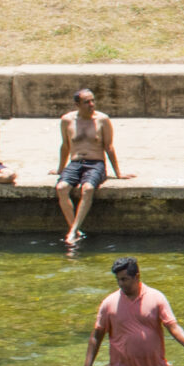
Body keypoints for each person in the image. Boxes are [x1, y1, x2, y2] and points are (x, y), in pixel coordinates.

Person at [86, 257, 184, 366]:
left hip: (156, 365)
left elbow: (173, 327)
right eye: (118, 279)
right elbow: (97, 336)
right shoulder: (109, 303)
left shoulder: (156, 297)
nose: (120, 284)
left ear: (137, 277)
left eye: (124, 279)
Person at [54, 88, 125, 247]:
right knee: (61, 188)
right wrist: (60, 169)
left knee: (87, 189)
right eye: (87, 102)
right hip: (75, 163)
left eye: (93, 101)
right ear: (77, 104)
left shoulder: (102, 119)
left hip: (95, 163)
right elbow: (65, 146)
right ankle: (75, 230)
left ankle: (72, 231)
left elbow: (109, 147)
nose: (91, 104)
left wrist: (118, 173)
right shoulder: (67, 120)